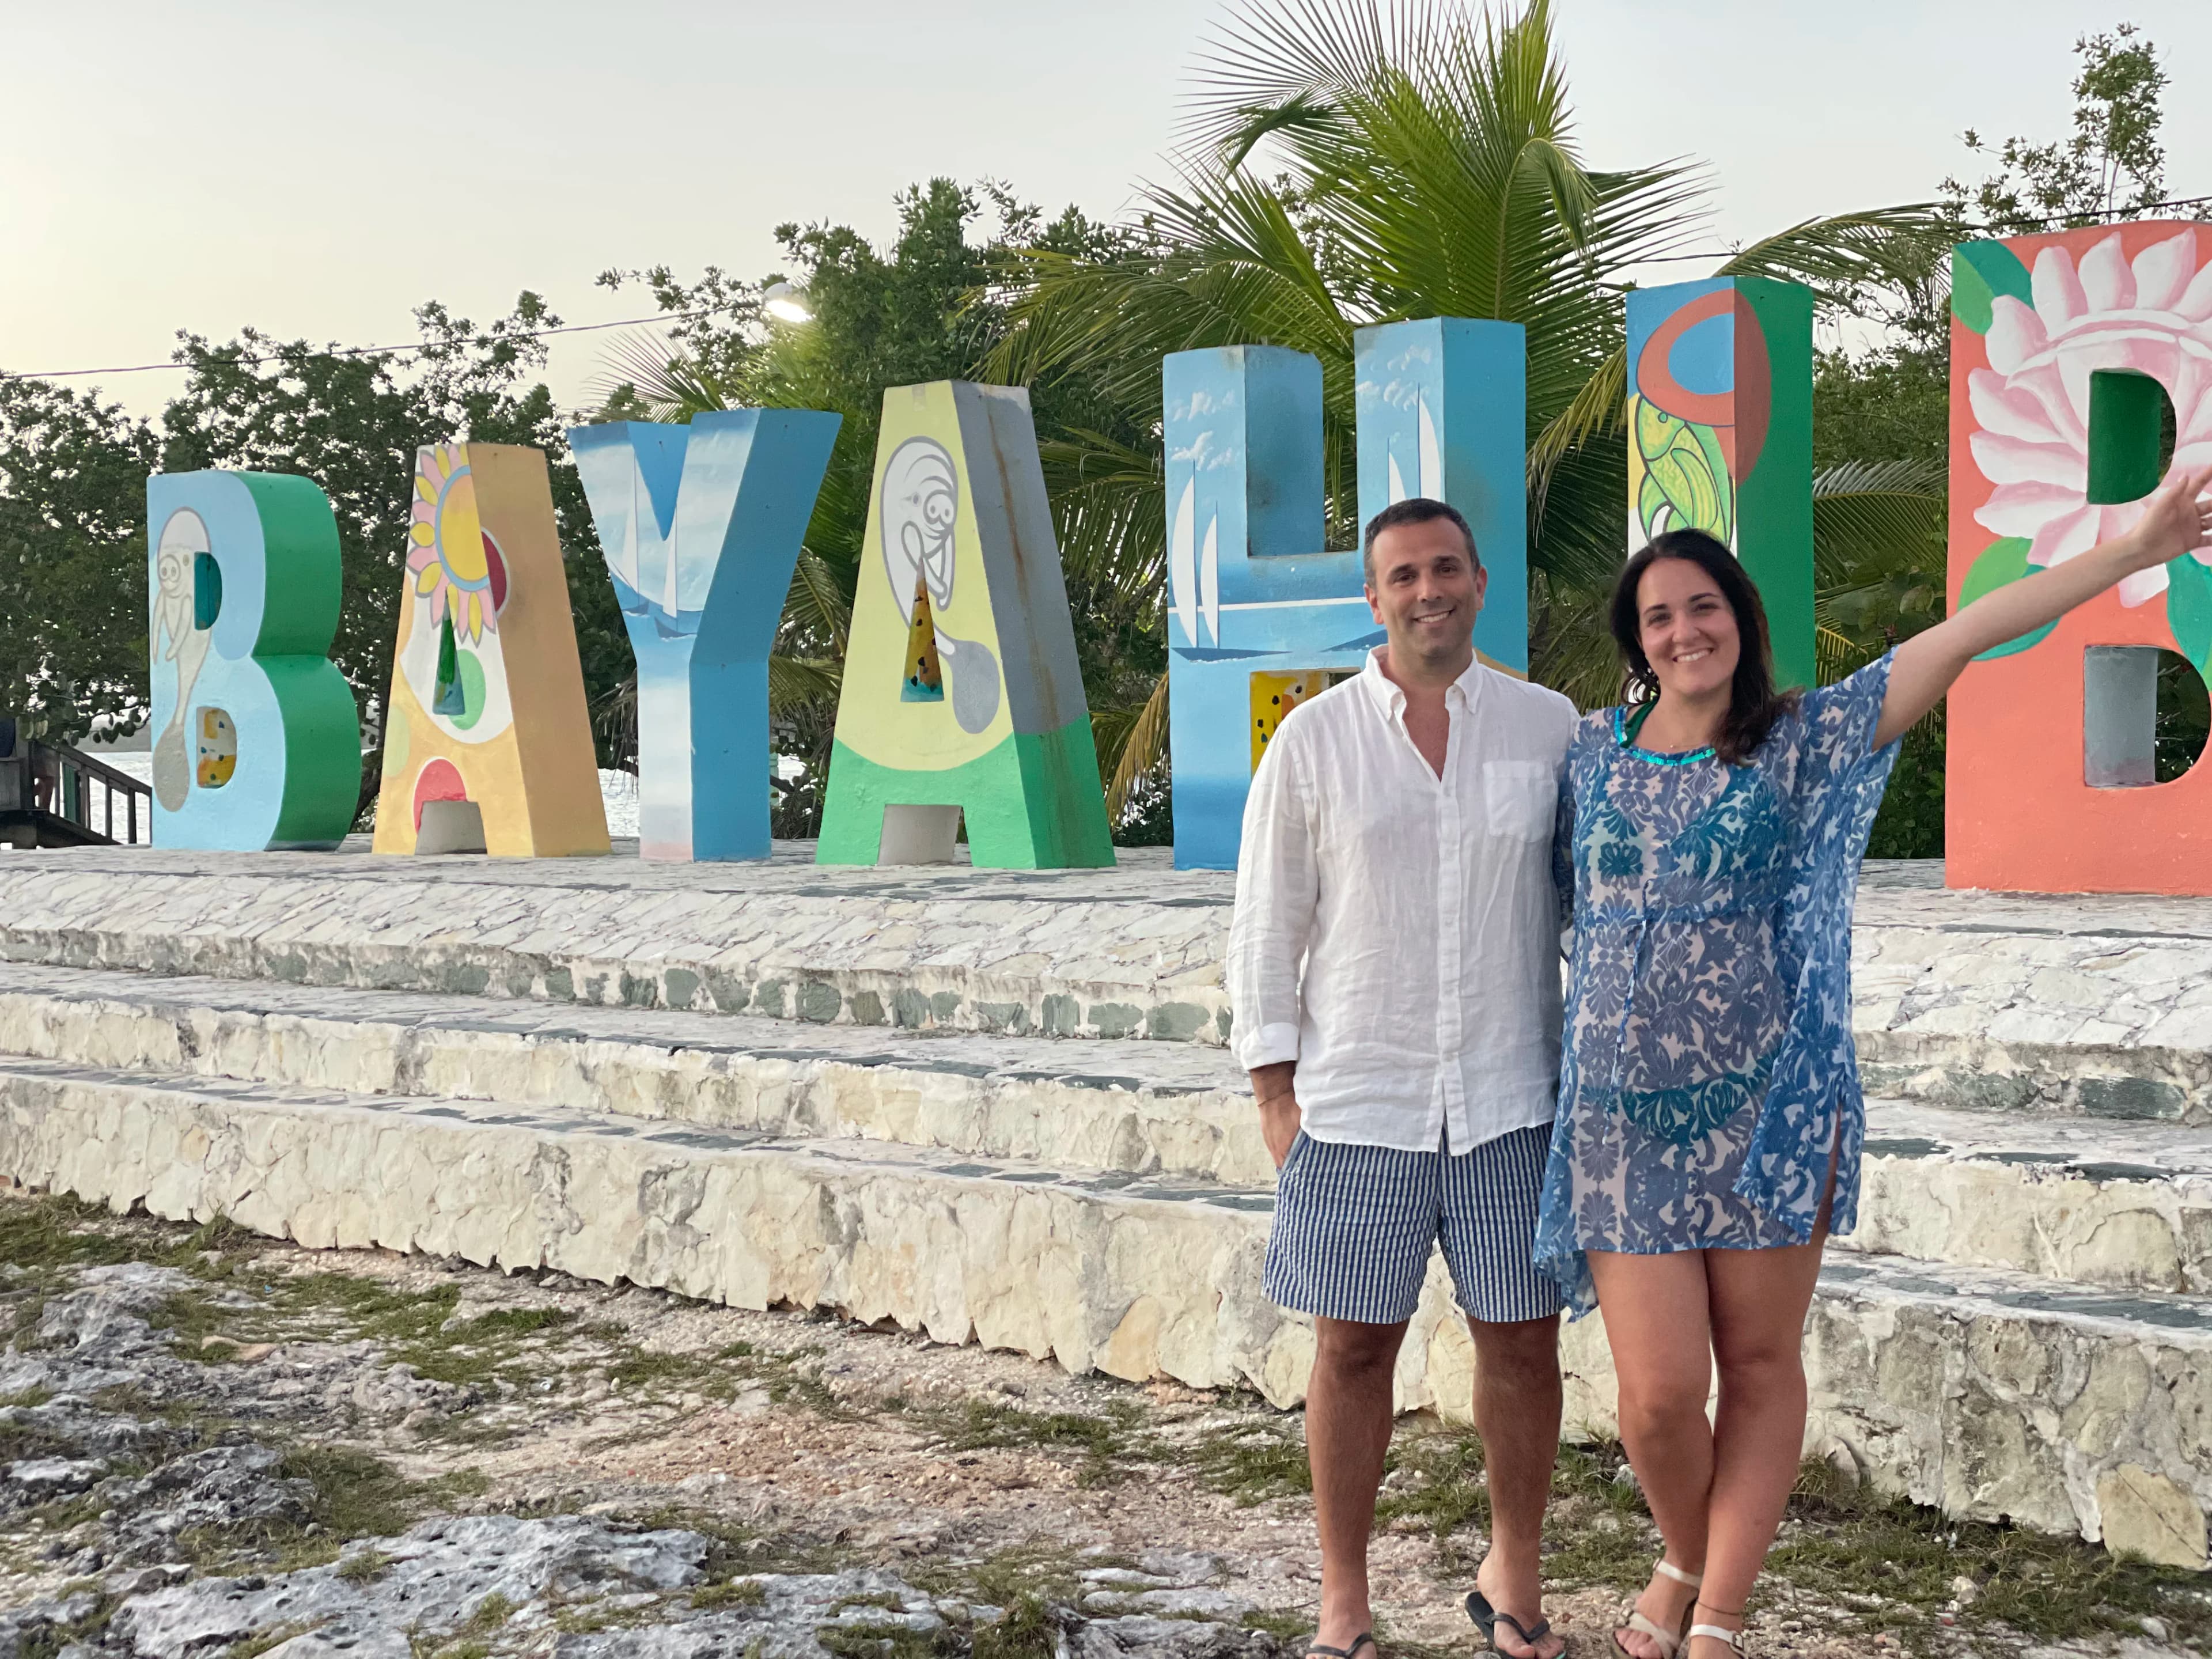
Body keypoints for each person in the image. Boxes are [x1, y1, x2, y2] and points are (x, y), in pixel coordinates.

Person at [1534, 466, 2212, 1659]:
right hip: (1617, 1122)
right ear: (1638, 643)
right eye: (1660, 616)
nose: (1686, 631)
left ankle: (1719, 1615)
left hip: (1774, 1108)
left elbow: (1968, 631)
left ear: (1741, 619)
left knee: (1757, 1362)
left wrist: (2133, 547)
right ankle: (1684, 1554)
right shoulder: (1588, 751)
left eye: (1704, 606)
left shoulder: (1805, 737)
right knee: (1656, 1396)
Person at [1229, 497, 1580, 1659]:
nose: (1427, 591)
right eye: (1403, 576)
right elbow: (1266, 925)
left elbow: (1589, 907)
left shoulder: (1549, 728)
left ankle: (1514, 1571)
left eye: (1445, 569)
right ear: (1373, 598)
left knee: (1522, 1345)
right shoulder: (1313, 741)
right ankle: (1344, 1598)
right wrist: (1274, 1092)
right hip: (1359, 1101)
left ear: (1479, 581)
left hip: (1513, 1100)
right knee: (1352, 1351)